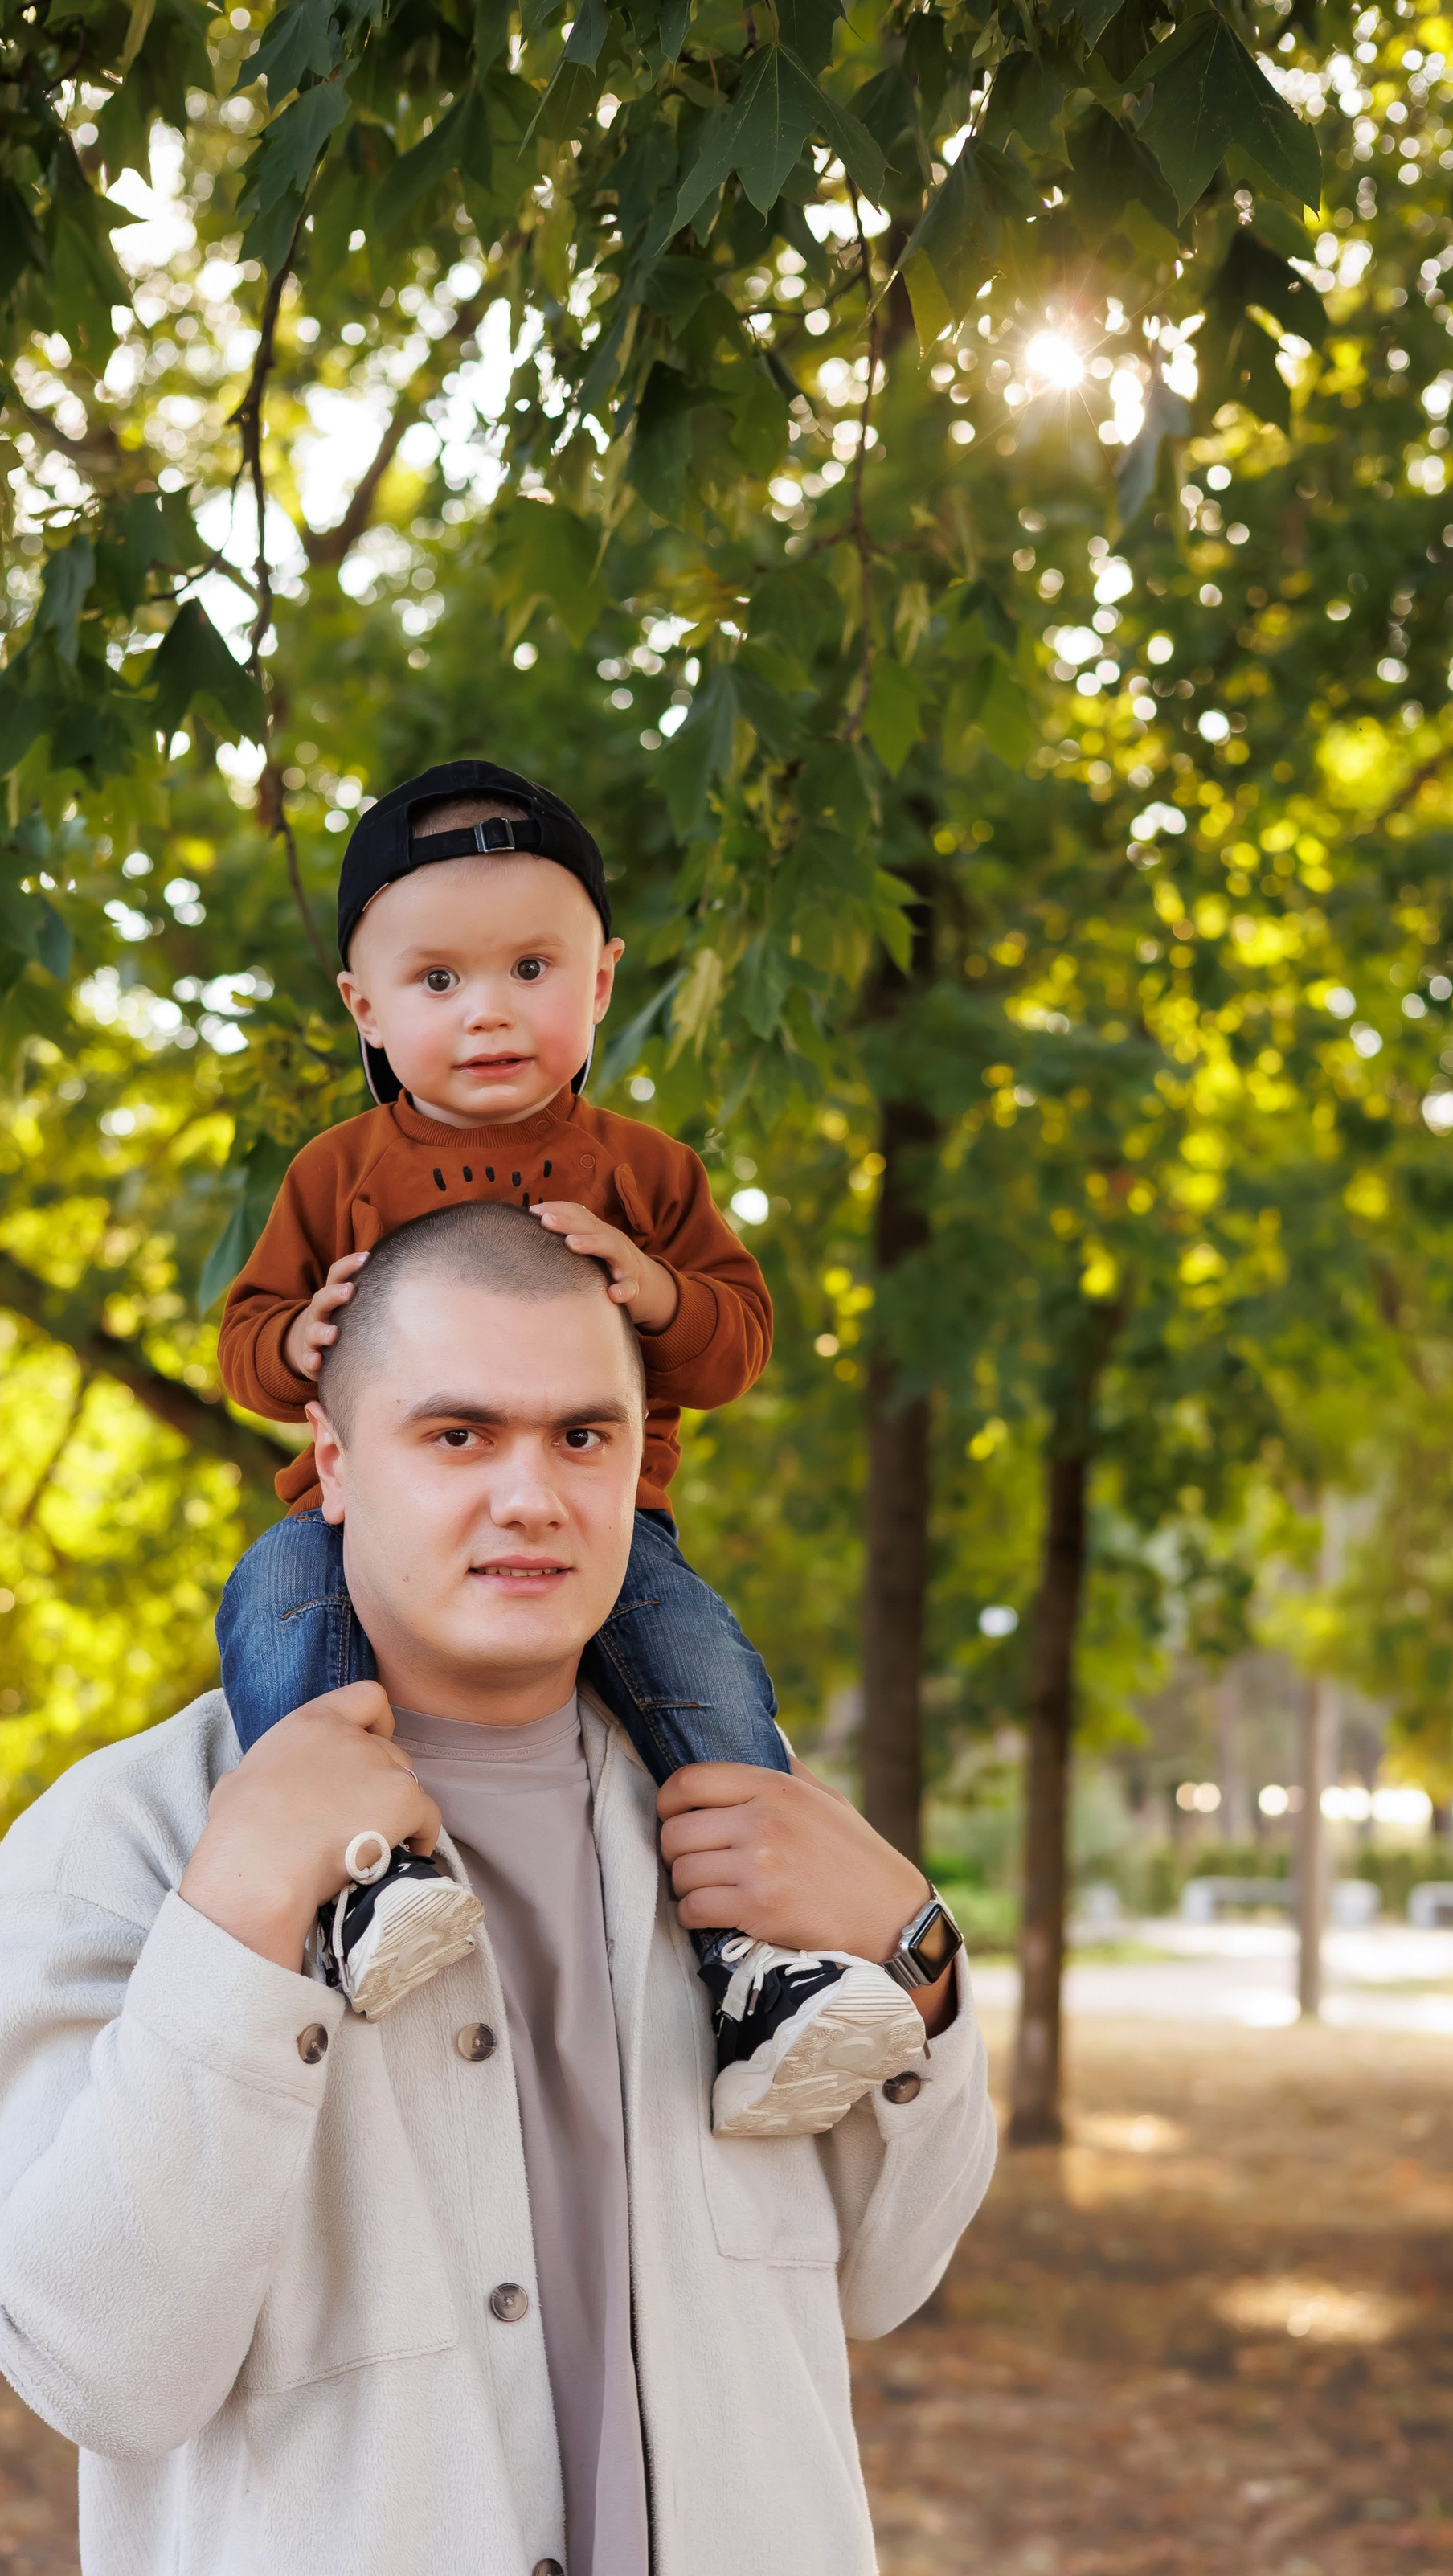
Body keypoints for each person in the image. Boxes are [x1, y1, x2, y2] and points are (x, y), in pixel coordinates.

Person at [0, 1202, 998, 2576]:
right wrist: (240, 1921)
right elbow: (96, 2358)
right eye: (457, 1436)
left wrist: (909, 1957)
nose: (530, 1494)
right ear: (333, 1465)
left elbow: (886, 2269)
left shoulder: (743, 1834)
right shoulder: (125, 1843)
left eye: (580, 1437)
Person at [215, 756, 944, 2137]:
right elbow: (246, 1342)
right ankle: (363, 1874)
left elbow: (734, 1343)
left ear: (600, 983)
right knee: (275, 1608)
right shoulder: (334, 1171)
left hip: (620, 1541)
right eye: (437, 983)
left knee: (701, 1665)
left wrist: (655, 1292)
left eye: (531, 969)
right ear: (365, 1008)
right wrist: (300, 1339)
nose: (488, 1011)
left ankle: (757, 1966)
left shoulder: (648, 1174)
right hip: (341, 1526)